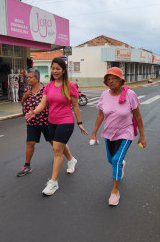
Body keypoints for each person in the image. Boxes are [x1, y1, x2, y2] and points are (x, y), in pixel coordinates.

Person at [26, 58, 88, 195]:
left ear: (63, 70)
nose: (54, 71)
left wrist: (80, 123)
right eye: (53, 68)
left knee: (56, 150)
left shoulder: (70, 86)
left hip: (65, 121)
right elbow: (43, 104)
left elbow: (76, 106)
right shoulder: (48, 86)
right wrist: (34, 112)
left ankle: (53, 183)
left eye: (57, 69)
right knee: (59, 145)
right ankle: (71, 160)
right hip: (51, 122)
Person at [89, 67, 147, 206]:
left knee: (115, 160)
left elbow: (137, 115)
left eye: (114, 78)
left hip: (125, 132)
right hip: (109, 132)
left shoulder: (130, 94)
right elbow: (101, 114)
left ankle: (115, 192)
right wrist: (94, 133)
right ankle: (120, 164)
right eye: (108, 79)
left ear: (121, 81)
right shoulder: (104, 95)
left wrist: (142, 135)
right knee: (111, 159)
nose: (111, 81)